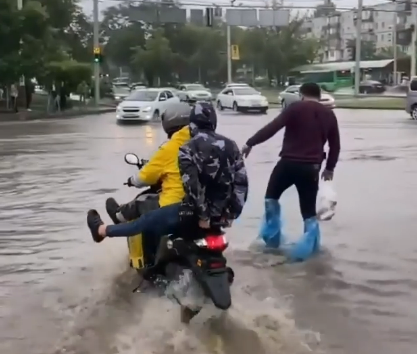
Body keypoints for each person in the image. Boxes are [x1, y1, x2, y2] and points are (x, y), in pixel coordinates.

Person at [87, 102, 248, 250]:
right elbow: (241, 184)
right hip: (221, 215)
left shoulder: (187, 148)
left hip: (192, 215)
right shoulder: (231, 145)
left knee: (143, 222)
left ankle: (102, 231)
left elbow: (192, 187)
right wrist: (231, 215)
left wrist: (204, 217)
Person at [242, 82, 340, 261]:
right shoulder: (329, 114)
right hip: (311, 168)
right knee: (309, 213)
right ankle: (310, 251)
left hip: (287, 164)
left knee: (271, 198)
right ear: (319, 96)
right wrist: (329, 168)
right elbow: (335, 145)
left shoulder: (295, 108)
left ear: (302, 94)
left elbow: (272, 128)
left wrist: (251, 142)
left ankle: (272, 242)